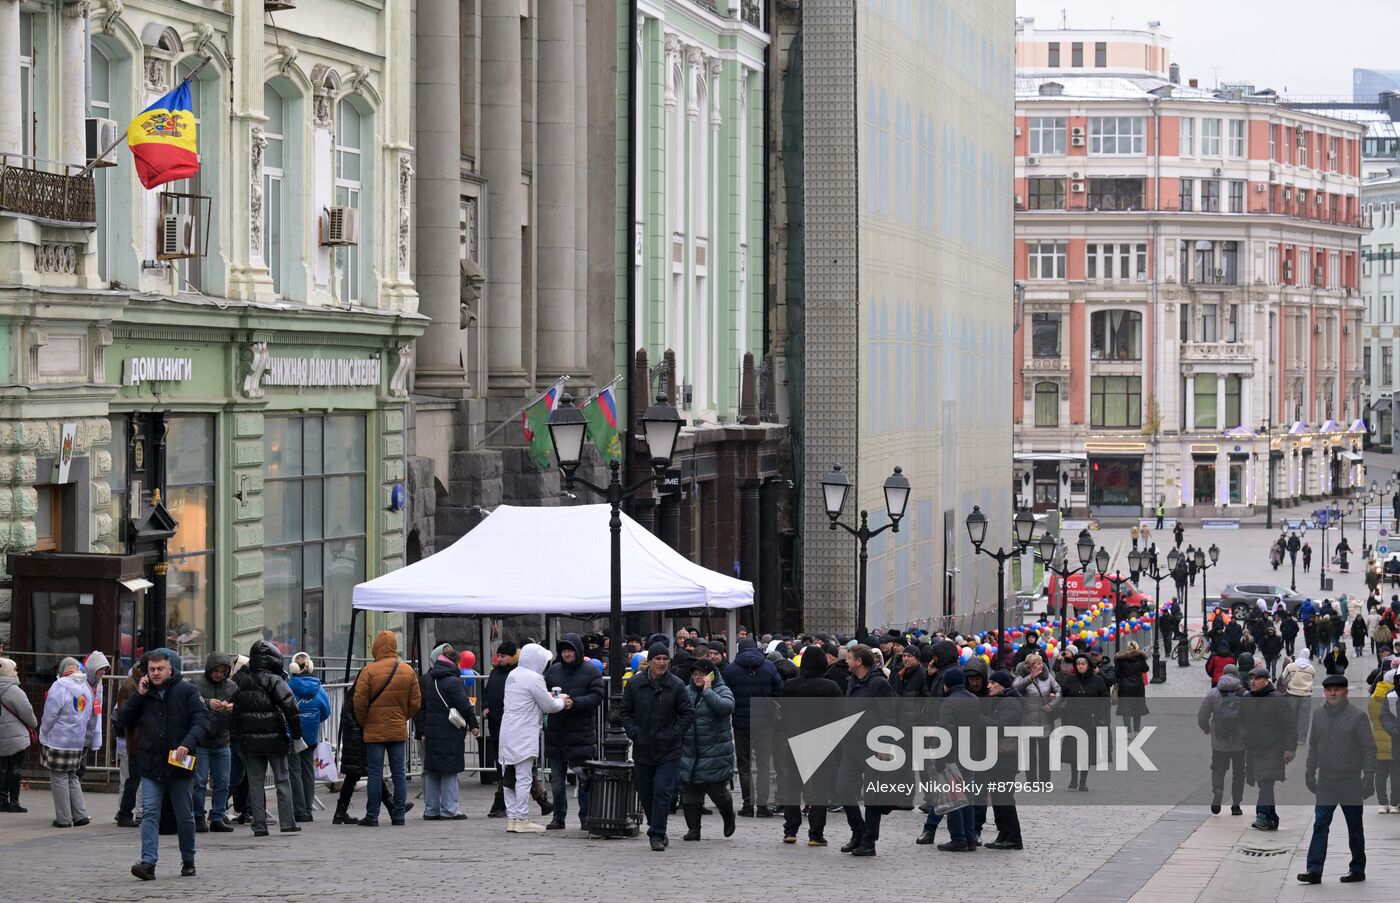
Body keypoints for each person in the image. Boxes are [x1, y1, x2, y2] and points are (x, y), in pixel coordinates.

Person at [119, 648, 211, 880]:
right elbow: (122, 720)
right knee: (150, 812)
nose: (156, 673)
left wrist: (187, 744)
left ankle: (188, 860)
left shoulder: (187, 690)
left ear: (171, 668)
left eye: (160, 669)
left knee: (184, 815)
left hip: (180, 764)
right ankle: (148, 863)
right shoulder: (143, 691)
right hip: (151, 764)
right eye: (152, 669)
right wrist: (138, 695)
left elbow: (202, 720)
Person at [1298, 674, 1377, 885]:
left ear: (1345, 692)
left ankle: (1357, 868)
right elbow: (1313, 745)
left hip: (1350, 780)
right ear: (1324, 692)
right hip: (1326, 780)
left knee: (1354, 826)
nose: (1333, 693)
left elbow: (1369, 749)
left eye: (1337, 689)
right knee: (1320, 823)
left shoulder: (1357, 717)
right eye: (1329, 690)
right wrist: (1309, 772)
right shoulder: (1319, 715)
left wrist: (1368, 779)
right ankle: (1314, 869)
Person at [621, 644, 695, 851]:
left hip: (668, 749)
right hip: (643, 746)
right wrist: (634, 732)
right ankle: (656, 824)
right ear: (650, 661)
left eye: (665, 659)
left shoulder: (677, 685)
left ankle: (657, 833)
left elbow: (687, 714)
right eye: (658, 659)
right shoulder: (635, 684)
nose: (662, 662)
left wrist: (673, 734)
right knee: (645, 791)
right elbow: (625, 711)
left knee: (663, 791)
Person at [231, 640, 303, 836]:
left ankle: (259, 825)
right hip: (275, 738)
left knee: (255, 782)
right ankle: (287, 822)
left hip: (250, 740)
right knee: (282, 779)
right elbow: (291, 709)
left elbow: (235, 713)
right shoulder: (275, 680)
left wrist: (238, 737)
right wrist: (296, 735)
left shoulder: (242, 681)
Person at [353, 630, 421, 828]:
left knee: (375, 773)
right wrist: (402, 716)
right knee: (398, 773)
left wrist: (365, 721)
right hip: (397, 728)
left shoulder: (369, 671)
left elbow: (359, 702)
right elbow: (416, 702)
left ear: (376, 647)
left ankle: (372, 815)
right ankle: (399, 814)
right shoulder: (407, 671)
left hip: (374, 730)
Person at [499, 642, 566, 834]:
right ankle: (522, 818)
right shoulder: (534, 677)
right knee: (523, 776)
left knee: (508, 776)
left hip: (508, 728)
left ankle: (512, 818)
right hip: (524, 731)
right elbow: (549, 706)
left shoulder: (514, 674)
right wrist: (562, 701)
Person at [779, 646, 843, 845]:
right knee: (820, 788)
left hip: (795, 739)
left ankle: (790, 830)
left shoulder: (790, 685)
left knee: (793, 786)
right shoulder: (831, 687)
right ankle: (816, 834)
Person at [541, 633, 604, 829]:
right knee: (557, 780)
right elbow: (544, 694)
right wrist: (553, 700)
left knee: (583, 779)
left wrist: (574, 703)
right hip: (557, 733)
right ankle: (558, 817)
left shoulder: (591, 670)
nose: (567, 654)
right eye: (564, 651)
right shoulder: (554, 671)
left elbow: (597, 695)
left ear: (578, 651)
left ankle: (585, 816)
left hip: (581, 732)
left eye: (570, 650)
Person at [839, 644, 894, 856]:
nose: (846, 660)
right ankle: (858, 831)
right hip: (851, 746)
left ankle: (869, 841)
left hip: (873, 747)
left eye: (849, 657)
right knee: (842, 789)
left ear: (859, 661)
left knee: (872, 795)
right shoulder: (852, 681)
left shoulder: (878, 683)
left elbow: (888, 715)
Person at [416, 643, 480, 821]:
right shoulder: (453, 681)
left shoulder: (430, 680)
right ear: (455, 663)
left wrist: (422, 731)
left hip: (431, 730)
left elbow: (422, 707)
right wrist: (474, 724)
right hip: (448, 731)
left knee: (433, 770)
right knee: (449, 771)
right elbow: (464, 706)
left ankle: (431, 809)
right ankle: (449, 809)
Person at [723, 637, 783, 818]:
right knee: (764, 764)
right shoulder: (769, 666)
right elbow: (778, 690)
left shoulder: (731, 669)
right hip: (764, 723)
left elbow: (726, 693)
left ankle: (748, 805)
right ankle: (763, 807)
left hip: (741, 722)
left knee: (744, 765)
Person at [678, 658, 736, 841]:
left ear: (711, 675)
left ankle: (728, 816)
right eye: (695, 674)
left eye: (701, 674)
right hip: (689, 751)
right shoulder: (686, 692)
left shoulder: (722, 690)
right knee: (689, 791)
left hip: (714, 750)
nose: (697, 677)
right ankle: (693, 829)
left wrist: (708, 691)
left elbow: (725, 708)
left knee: (717, 790)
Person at [39, 656, 97, 828]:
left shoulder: (60, 686)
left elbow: (50, 715)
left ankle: (64, 818)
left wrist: (43, 732)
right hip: (76, 740)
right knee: (72, 777)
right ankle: (80, 814)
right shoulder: (86, 687)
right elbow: (89, 715)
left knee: (58, 778)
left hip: (58, 739)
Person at [187, 652, 237, 833]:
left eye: (222, 671)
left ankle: (217, 816)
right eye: (216, 671)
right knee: (199, 781)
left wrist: (233, 708)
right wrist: (208, 703)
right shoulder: (196, 684)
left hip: (223, 740)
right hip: (202, 741)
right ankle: (198, 816)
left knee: (223, 781)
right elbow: (189, 705)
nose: (218, 674)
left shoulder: (232, 687)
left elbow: (241, 708)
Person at [1241, 667, 1295, 831]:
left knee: (1265, 781)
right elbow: (1240, 721)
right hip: (1254, 748)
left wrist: (1289, 748)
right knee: (1264, 782)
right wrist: (1243, 736)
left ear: (1266, 681)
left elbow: (1290, 725)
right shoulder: (1247, 698)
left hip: (1273, 748)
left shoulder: (1277, 699)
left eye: (1257, 679)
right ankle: (1272, 818)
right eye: (1252, 679)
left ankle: (1262, 816)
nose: (1253, 682)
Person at [1199, 664, 1247, 815]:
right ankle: (1236, 804)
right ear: (1237, 675)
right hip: (1240, 742)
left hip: (1219, 740)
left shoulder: (1214, 693)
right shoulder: (1245, 694)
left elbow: (1202, 715)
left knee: (1218, 769)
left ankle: (1218, 790)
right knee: (1239, 773)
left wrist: (1206, 728)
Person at [287, 653, 330, 823]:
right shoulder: (318, 688)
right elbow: (325, 711)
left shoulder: (288, 687)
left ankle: (298, 810)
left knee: (294, 771)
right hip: (311, 735)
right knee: (308, 772)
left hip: (292, 734)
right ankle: (307, 809)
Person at [1056, 652, 1110, 790]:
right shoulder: (1071, 680)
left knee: (1087, 752)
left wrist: (1098, 715)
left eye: (1083, 664)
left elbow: (1104, 699)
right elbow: (1062, 695)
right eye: (1078, 664)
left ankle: (1083, 781)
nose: (1080, 666)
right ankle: (1074, 779)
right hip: (1072, 719)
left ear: (1088, 665)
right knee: (1073, 752)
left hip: (1089, 721)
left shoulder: (1097, 681)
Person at [985, 670, 1023, 850]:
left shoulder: (1010, 702)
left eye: (992, 683)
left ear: (1002, 684)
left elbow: (1000, 726)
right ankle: (1004, 833)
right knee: (998, 796)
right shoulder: (1001, 701)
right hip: (998, 756)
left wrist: (980, 719)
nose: (988, 686)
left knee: (1004, 796)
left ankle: (1014, 836)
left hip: (1005, 758)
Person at [1013, 653, 1058, 783]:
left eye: (1041, 662)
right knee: (1030, 754)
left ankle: (1045, 781)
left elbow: (1058, 690)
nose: (1041, 665)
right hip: (1028, 720)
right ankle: (1031, 781)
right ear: (1030, 666)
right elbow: (1015, 688)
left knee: (1045, 754)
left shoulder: (1048, 677)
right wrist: (1030, 677)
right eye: (1038, 663)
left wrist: (1053, 700)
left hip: (1045, 719)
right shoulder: (1021, 676)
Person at [0, 657, 37, 812]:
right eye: (14, 669)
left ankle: (2, 801)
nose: (16, 673)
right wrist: (33, 724)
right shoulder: (14, 690)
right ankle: (14, 802)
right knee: (15, 769)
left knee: (2, 769)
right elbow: (27, 713)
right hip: (16, 736)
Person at [113, 661, 146, 827]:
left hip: (140, 739)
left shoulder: (139, 682)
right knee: (133, 780)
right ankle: (125, 813)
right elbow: (125, 715)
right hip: (135, 740)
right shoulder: (130, 685)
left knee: (135, 779)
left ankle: (127, 812)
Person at [1368, 666, 1396, 813]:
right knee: (1396, 774)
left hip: (1378, 740)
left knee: (1380, 774)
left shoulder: (1373, 698)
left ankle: (1382, 803)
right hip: (1394, 739)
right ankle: (1394, 803)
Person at [1114, 641, 1150, 736]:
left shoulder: (1120, 658)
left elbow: (1116, 673)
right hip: (1138, 687)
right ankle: (1136, 731)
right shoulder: (1140, 658)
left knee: (1126, 710)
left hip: (1125, 688)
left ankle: (1128, 732)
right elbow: (1146, 669)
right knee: (1137, 710)